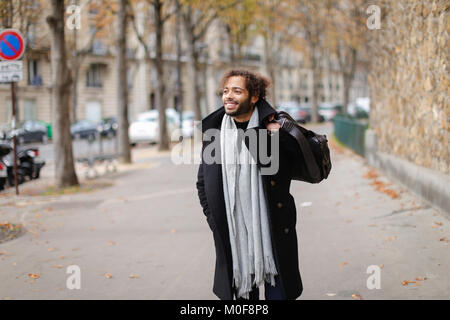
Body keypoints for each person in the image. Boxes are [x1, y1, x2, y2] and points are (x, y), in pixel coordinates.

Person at [196, 69, 321, 300]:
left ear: (254, 96)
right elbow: (202, 183)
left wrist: (283, 134)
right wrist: (214, 220)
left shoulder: (271, 128)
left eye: (236, 91)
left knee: (278, 294)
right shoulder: (215, 133)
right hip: (234, 234)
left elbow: (311, 160)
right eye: (225, 91)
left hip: (271, 230)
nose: (228, 96)